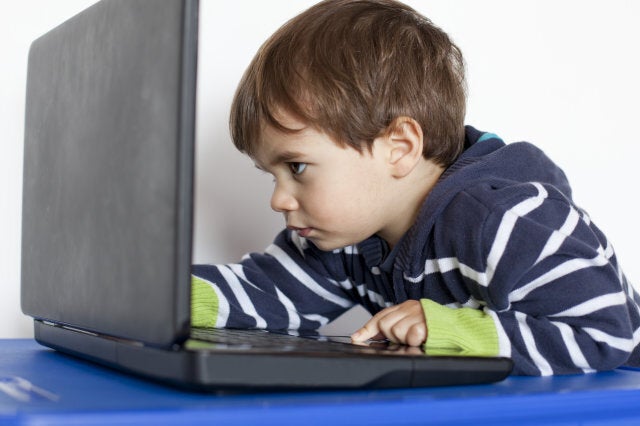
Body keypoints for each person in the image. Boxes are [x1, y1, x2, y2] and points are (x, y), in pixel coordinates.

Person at [190, 0, 640, 375]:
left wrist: (453, 329)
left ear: (399, 148)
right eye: (272, 175)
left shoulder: (506, 220)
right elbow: (267, 294)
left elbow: (606, 333)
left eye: (298, 167)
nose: (278, 200)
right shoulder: (343, 236)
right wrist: (154, 295)